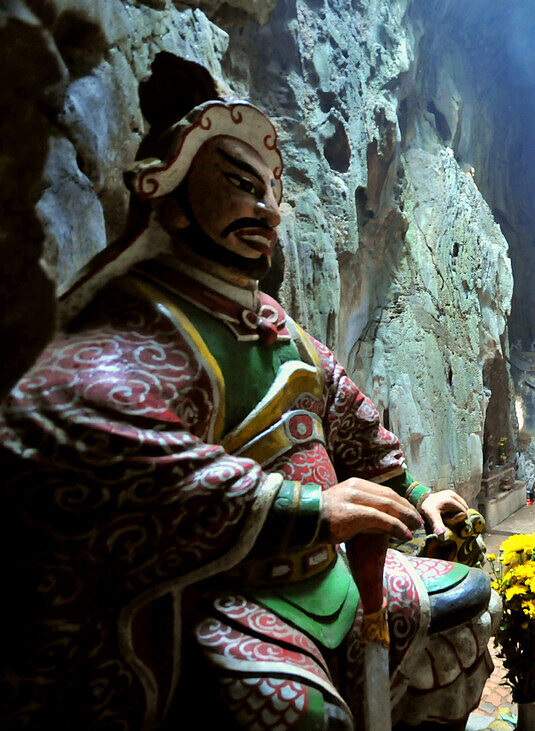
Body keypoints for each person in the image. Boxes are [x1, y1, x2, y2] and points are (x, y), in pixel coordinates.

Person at [0, 56, 492, 729]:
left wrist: (417, 497)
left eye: (269, 190)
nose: (265, 206)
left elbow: (351, 419)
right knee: (294, 712)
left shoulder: (276, 325)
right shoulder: (144, 318)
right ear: (169, 201)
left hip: (338, 574)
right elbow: (100, 437)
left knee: (464, 617)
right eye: (239, 185)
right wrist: (311, 509)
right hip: (233, 593)